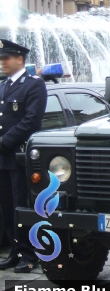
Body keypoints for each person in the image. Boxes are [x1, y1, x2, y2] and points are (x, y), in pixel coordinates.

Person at [0, 39, 47, 273]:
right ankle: (15, 252)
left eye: (6, 58)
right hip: (3, 158)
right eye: (1, 59)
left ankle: (30, 256)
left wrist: (4, 142)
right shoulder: (3, 85)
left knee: (22, 208)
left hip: (19, 156)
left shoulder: (34, 85)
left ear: (20, 59)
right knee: (7, 209)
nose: (2, 63)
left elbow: (31, 121)